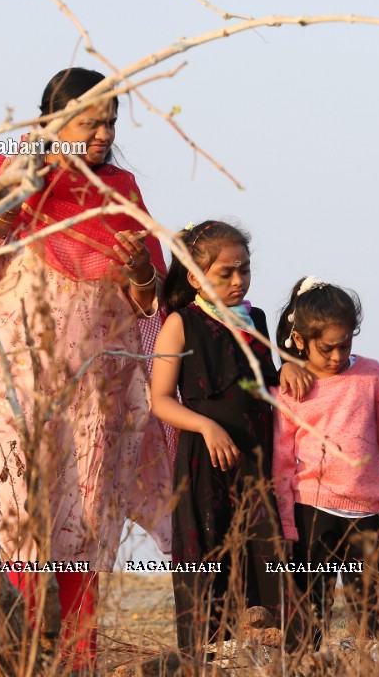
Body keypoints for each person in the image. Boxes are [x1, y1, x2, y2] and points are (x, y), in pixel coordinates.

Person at [0, 67, 172, 670]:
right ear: (54, 123)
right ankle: (21, 654)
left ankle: (78, 656)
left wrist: (137, 270)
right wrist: (2, 217)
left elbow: (146, 296)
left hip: (95, 385)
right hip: (13, 375)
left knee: (85, 509)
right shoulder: (6, 172)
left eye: (110, 121)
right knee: (23, 505)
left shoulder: (121, 190)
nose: (104, 133)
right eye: (90, 122)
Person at [149, 220, 298, 658]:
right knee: (207, 560)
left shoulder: (257, 321)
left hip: (257, 462)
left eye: (245, 271)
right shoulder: (180, 323)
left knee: (265, 561)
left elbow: (266, 384)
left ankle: (267, 655)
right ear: (195, 277)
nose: (238, 281)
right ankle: (205, 658)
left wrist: (286, 369)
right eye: (225, 273)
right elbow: (159, 399)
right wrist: (206, 426)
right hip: (203, 465)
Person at [271, 277, 379, 645]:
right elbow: (282, 465)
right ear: (300, 340)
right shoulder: (290, 391)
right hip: (310, 511)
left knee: (366, 604)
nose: (337, 356)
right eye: (327, 348)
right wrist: (287, 526)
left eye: (345, 345)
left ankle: (367, 662)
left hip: (364, 512)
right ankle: (304, 666)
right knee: (310, 608)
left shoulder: (371, 377)